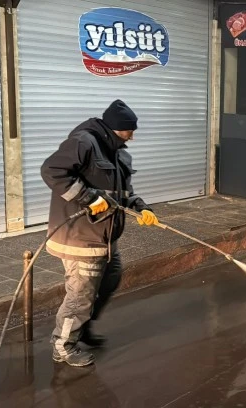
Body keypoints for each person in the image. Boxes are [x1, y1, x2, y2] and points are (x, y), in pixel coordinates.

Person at [41, 100, 159, 366]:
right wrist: (88, 197)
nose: (132, 137)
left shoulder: (119, 154)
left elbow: (123, 194)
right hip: (81, 237)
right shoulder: (84, 143)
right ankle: (63, 345)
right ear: (116, 128)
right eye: (129, 131)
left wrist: (142, 208)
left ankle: (81, 327)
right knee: (80, 295)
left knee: (110, 278)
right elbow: (52, 171)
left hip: (105, 239)